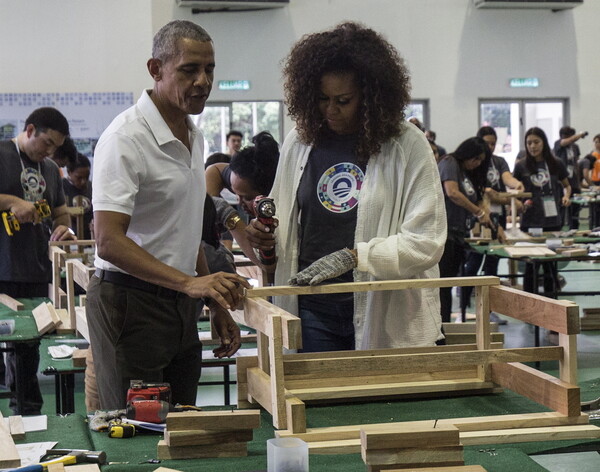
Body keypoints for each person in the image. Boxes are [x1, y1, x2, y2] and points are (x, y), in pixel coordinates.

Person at [246, 22, 447, 352]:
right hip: (312, 306)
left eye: (343, 100)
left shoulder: (406, 144)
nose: (331, 110)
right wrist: (264, 235)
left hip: (382, 308)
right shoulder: (301, 141)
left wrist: (357, 257)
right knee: (320, 400)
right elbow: (281, 224)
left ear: (370, 97)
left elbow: (426, 242)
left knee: (377, 400)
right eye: (323, 98)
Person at [86, 20, 250, 410]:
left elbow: (185, 227)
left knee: (184, 424)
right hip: (129, 304)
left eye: (209, 69)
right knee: (137, 433)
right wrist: (191, 285)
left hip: (178, 302)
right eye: (189, 70)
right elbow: (108, 241)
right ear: (155, 69)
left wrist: (210, 297)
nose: (203, 81)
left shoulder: (194, 136)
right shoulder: (125, 139)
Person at [0, 106, 75, 414]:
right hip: (2, 266)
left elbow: (60, 211)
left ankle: (28, 409)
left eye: (56, 147)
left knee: (29, 346)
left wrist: (64, 227)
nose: (50, 151)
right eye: (47, 143)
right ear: (30, 130)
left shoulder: (49, 170)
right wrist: (12, 202)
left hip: (34, 268)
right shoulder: (2, 154)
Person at [460, 127, 524, 323]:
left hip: (498, 219)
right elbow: (472, 189)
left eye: (493, 143)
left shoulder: (499, 162)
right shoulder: (475, 163)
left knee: (492, 266)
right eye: (487, 143)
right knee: (472, 265)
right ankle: (463, 311)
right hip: (478, 220)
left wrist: (516, 186)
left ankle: (488, 311)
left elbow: (506, 178)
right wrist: (487, 191)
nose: (490, 147)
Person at [437, 137, 492, 323]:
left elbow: (476, 197)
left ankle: (446, 325)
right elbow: (452, 192)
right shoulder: (449, 162)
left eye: (480, 161)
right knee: (442, 286)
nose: (477, 164)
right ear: (467, 153)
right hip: (445, 234)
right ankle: (441, 328)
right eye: (475, 159)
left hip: (459, 235)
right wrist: (478, 212)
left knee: (449, 284)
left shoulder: (466, 173)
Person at [205, 131, 280, 267]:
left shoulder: (281, 198)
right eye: (236, 194)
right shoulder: (241, 176)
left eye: (247, 197)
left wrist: (230, 218)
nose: (240, 203)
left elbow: (267, 265)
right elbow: (214, 170)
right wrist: (211, 213)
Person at [514, 127, 571, 294]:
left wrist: (566, 196)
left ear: (544, 143)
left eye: (536, 142)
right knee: (531, 266)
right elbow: (514, 192)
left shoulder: (556, 163)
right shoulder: (521, 166)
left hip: (552, 223)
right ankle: (530, 304)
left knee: (550, 265)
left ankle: (552, 301)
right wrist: (518, 203)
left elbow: (567, 186)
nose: (533, 146)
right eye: (529, 142)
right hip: (530, 222)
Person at [553, 126, 587, 229]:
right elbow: (566, 142)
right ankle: (561, 226)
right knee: (562, 205)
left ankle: (574, 227)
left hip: (573, 181)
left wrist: (579, 181)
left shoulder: (575, 147)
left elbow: (576, 163)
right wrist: (580, 135)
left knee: (576, 207)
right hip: (561, 181)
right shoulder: (558, 144)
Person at [62, 152, 93, 239]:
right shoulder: (60, 187)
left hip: (89, 238)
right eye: (79, 177)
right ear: (69, 172)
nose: (83, 181)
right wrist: (67, 211)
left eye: (86, 177)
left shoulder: (92, 187)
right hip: (69, 239)